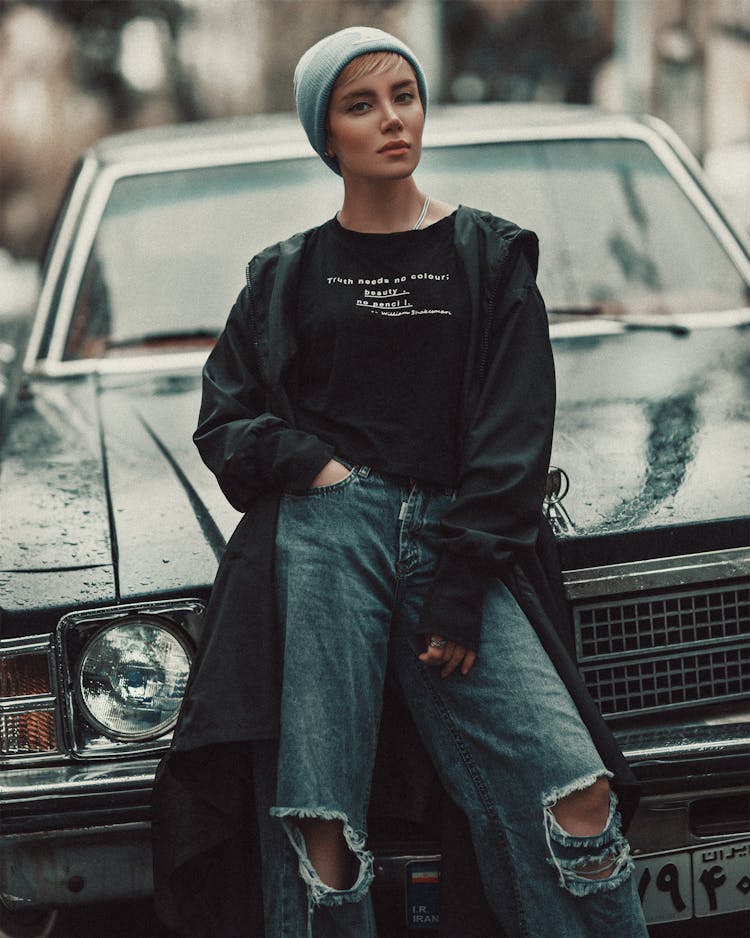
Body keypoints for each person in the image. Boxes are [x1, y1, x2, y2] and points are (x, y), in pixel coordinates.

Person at [153, 26, 649, 938]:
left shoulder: (489, 256)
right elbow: (224, 421)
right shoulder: (284, 275)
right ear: (326, 135)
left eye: (404, 97)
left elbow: (514, 435)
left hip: (460, 536)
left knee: (575, 793)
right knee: (322, 825)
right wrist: (318, 466)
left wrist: (459, 584)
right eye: (361, 105)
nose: (391, 121)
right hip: (327, 537)